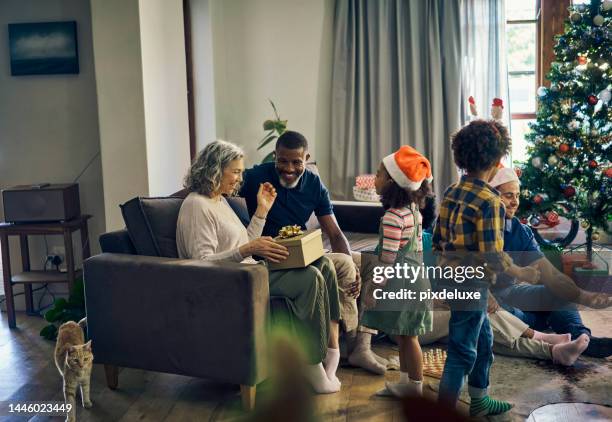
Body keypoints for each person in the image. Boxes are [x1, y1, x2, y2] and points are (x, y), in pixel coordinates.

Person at [176, 140, 342, 393]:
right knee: (310, 277)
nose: (240, 179)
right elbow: (201, 264)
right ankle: (311, 366)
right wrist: (247, 250)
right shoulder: (196, 206)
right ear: (215, 170)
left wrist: (262, 211)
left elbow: (244, 242)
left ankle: (331, 350)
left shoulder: (219, 200)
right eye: (235, 172)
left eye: (241, 172)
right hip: (231, 282)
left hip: (247, 270)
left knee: (323, 265)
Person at [240, 131, 389, 374]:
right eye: (283, 161)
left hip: (305, 253)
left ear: (306, 158)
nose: (289, 168)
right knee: (342, 263)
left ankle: (361, 346)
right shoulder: (256, 176)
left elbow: (335, 233)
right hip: (272, 257)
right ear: (275, 156)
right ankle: (348, 345)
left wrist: (355, 268)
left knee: (374, 263)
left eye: (296, 162)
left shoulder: (313, 184)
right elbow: (220, 185)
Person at [432, 120, 539, 417]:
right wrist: (521, 272)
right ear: (495, 160)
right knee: (462, 350)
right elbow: (492, 253)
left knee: (484, 339)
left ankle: (479, 398)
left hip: (450, 277)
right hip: (471, 283)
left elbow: (438, 237)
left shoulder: (452, 190)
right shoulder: (491, 200)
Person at [489, 167, 612, 358]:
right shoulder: (474, 229)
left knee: (557, 293)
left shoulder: (521, 232)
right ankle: (541, 322)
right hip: (491, 303)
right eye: (508, 195)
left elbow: (551, 275)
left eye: (518, 195)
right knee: (502, 314)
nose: (515, 202)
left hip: (511, 293)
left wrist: (584, 296)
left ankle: (583, 339)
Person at [360, 146, 434, 398]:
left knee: (409, 336)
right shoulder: (413, 211)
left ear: (392, 182)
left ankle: (415, 388)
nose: (375, 178)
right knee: (404, 334)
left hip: (403, 283)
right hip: (415, 278)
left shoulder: (393, 216)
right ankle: (406, 383)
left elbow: (387, 260)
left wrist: (373, 289)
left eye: (379, 173)